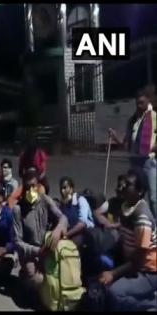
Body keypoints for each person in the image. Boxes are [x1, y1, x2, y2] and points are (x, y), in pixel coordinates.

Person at [99, 169, 157, 311]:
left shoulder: (142, 217)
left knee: (115, 293)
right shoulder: (128, 206)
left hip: (148, 272)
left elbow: (139, 259)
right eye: (124, 182)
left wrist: (113, 274)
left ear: (140, 191)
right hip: (132, 264)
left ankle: (150, 306)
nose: (123, 186)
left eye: (128, 184)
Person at [13, 168, 68, 289]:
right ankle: (25, 278)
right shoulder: (18, 209)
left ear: (38, 185)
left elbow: (63, 218)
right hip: (30, 252)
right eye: (27, 187)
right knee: (37, 279)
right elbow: (18, 242)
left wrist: (58, 230)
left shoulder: (45, 200)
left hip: (46, 247)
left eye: (33, 185)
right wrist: (37, 251)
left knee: (58, 276)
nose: (30, 190)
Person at [109, 86, 157, 217]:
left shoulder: (153, 117)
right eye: (137, 103)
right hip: (135, 162)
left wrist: (153, 147)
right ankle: (138, 221)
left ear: (148, 101)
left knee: (153, 197)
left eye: (142, 103)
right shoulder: (133, 120)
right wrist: (114, 136)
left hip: (148, 162)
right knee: (135, 195)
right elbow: (125, 143)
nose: (139, 106)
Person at [58, 176, 95, 248]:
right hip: (70, 234)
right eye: (61, 188)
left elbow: (82, 224)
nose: (62, 191)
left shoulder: (81, 200)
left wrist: (66, 235)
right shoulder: (62, 205)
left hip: (84, 234)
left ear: (71, 189)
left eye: (65, 188)